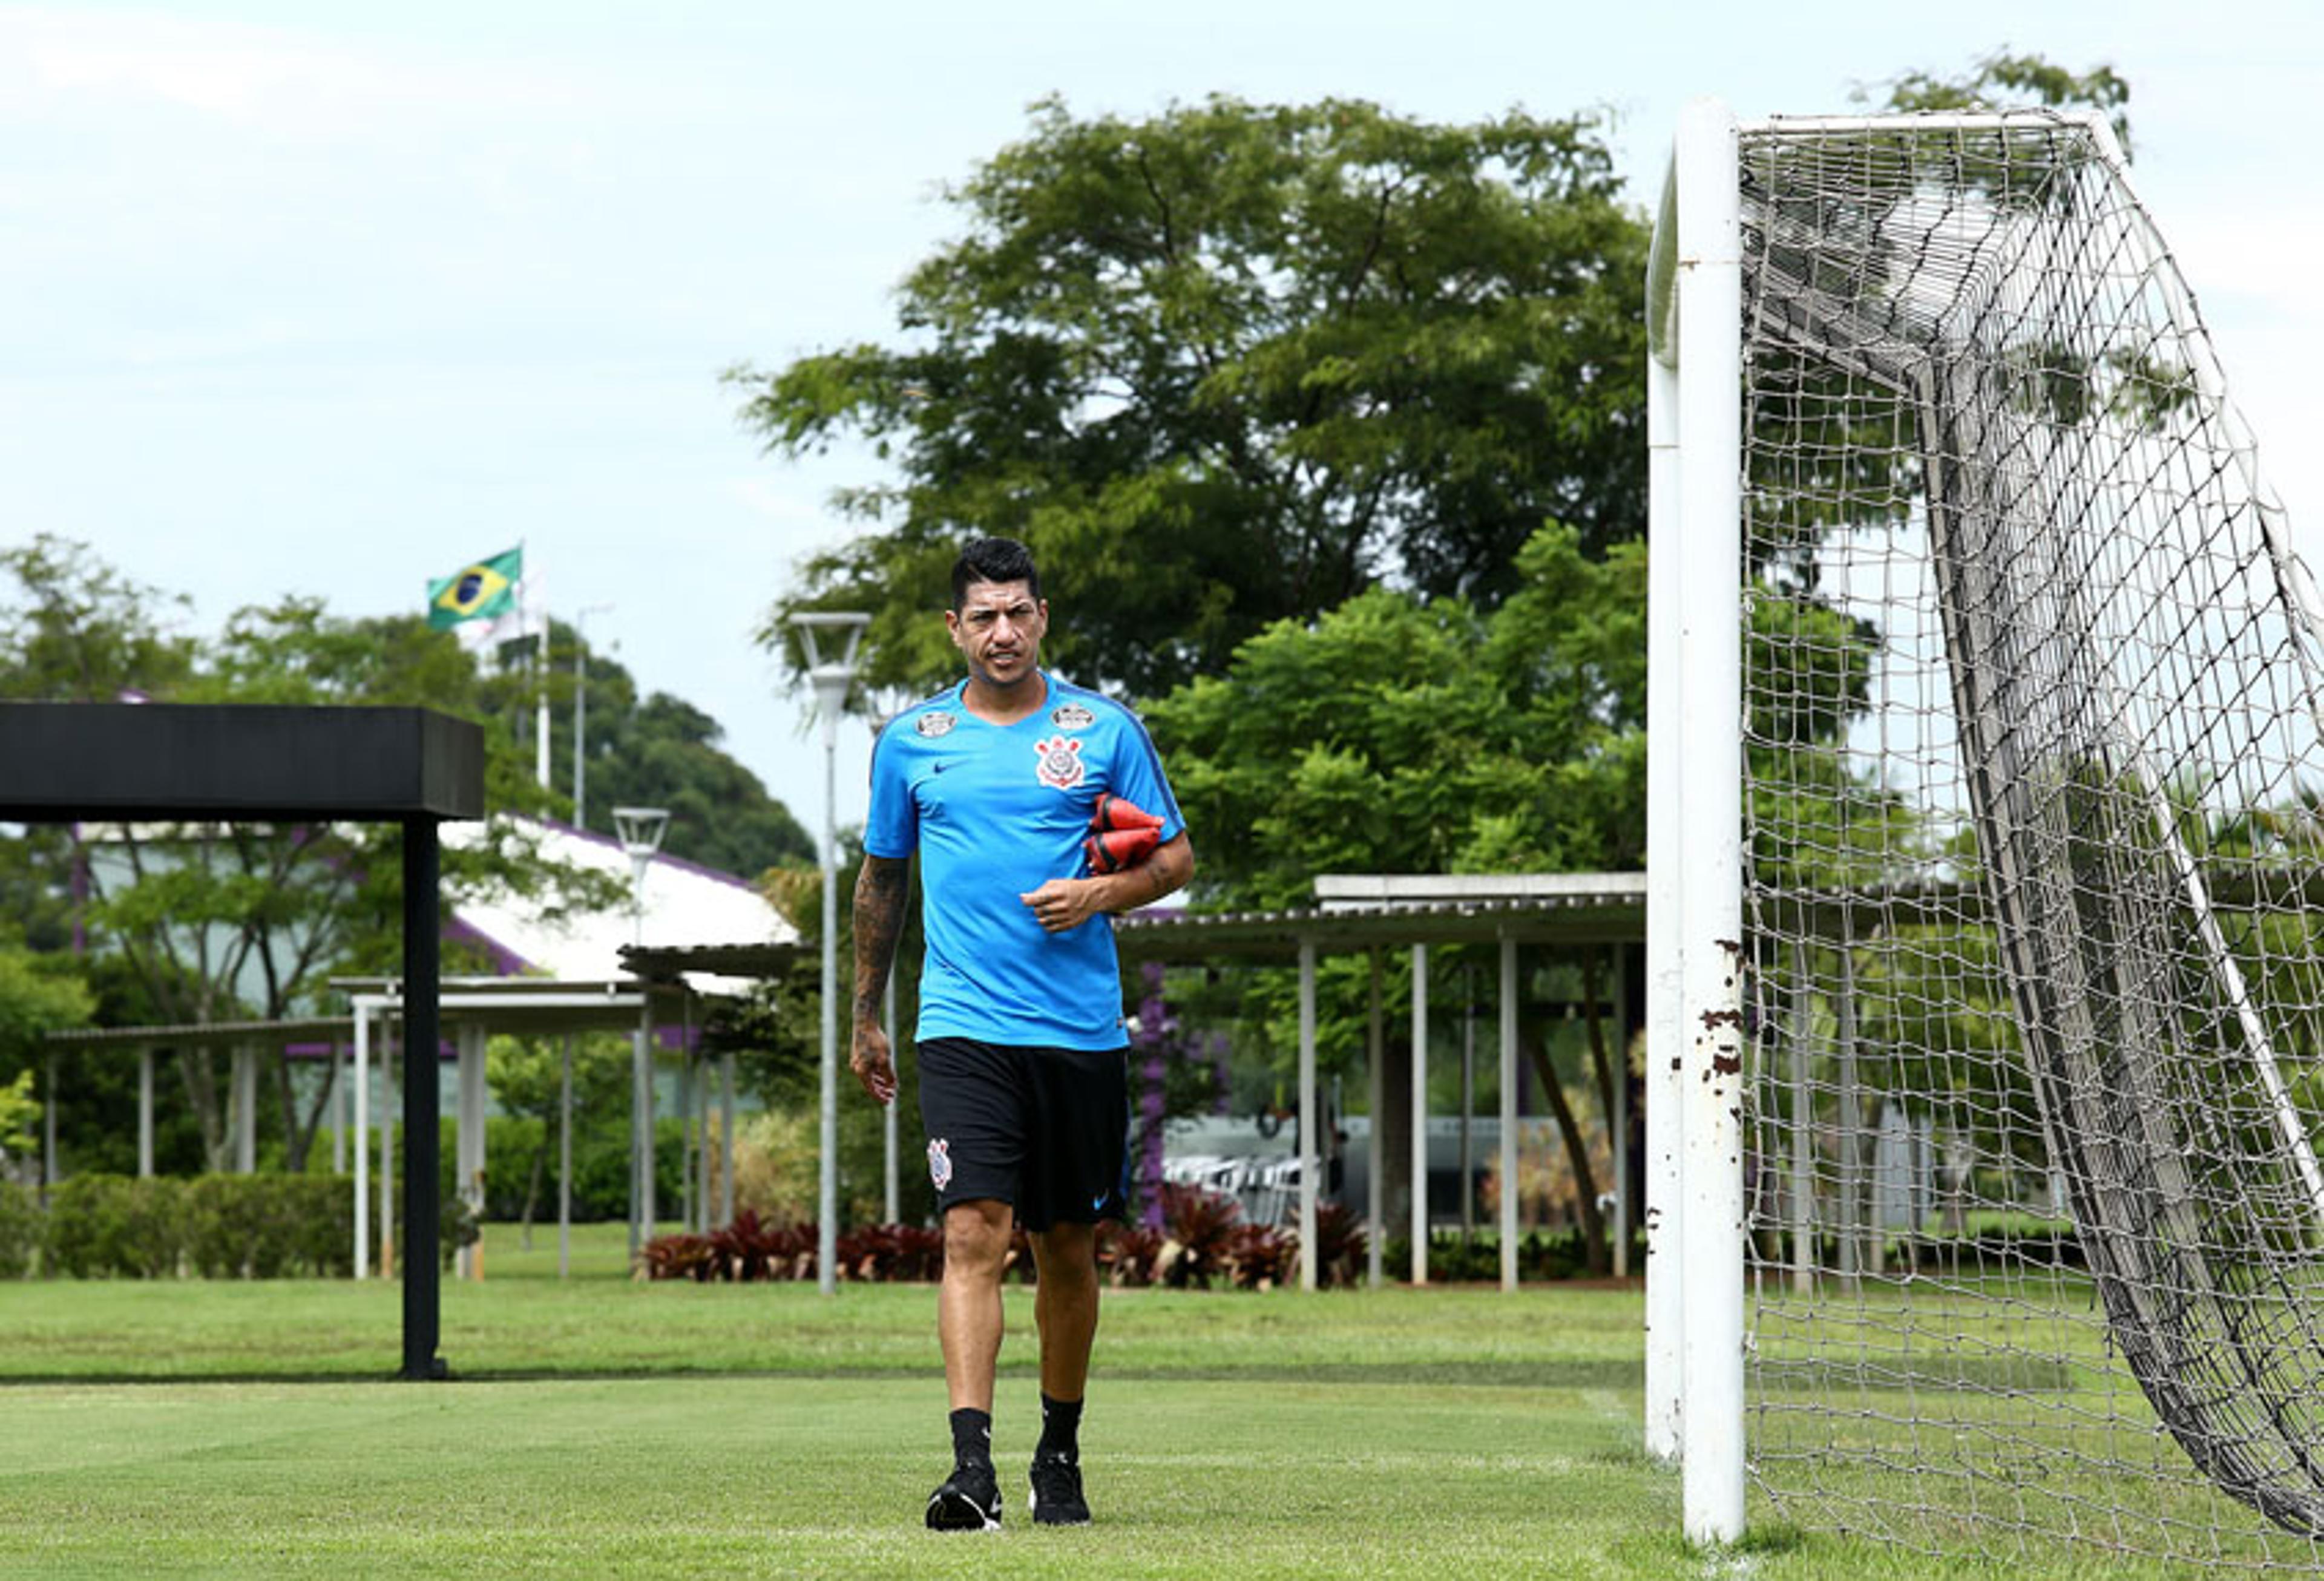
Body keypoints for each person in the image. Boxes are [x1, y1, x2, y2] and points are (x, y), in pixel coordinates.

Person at [849, 535, 1194, 1532]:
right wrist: (867, 1013)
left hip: (1080, 1032)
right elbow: (883, 880)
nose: (1002, 631)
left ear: (1042, 617)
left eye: (1018, 612)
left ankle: (1060, 1451)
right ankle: (970, 1467)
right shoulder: (911, 741)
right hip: (960, 1024)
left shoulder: (1103, 729)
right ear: (954, 630)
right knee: (971, 1232)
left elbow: (1173, 858)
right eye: (982, 616)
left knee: (1068, 1248)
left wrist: (1101, 890)